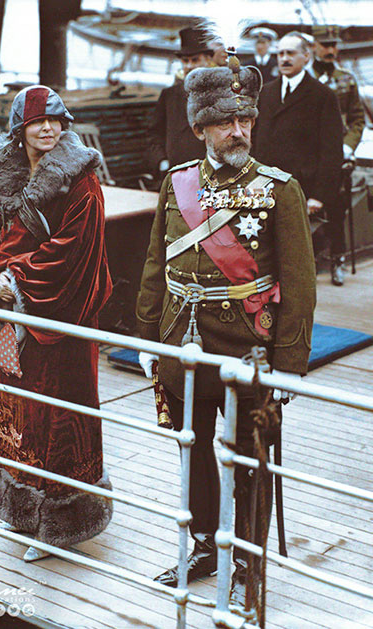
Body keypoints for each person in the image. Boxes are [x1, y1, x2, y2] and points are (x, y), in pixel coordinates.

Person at [136, 61, 316, 616]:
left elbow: (301, 284)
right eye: (225, 121)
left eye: (245, 119)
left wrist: (288, 365)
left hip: (248, 347)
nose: (238, 130)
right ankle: (204, 548)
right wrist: (147, 338)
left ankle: (246, 565)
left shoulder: (279, 190)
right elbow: (153, 265)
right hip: (182, 342)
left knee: (248, 458)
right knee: (192, 452)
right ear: (199, 129)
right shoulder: (177, 183)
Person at [0, 85, 114, 563]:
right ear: (19, 129)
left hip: (55, 321)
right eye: (37, 122)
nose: (48, 129)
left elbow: (75, 251)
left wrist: (16, 277)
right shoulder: (0, 179)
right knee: (14, 409)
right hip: (10, 317)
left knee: (55, 416)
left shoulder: (82, 182)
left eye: (55, 120)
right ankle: (21, 509)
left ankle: (59, 523)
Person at [253, 31, 343, 282]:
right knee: (265, 256)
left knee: (296, 262)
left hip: (302, 190)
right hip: (265, 188)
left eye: (290, 53)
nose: (284, 58)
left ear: (307, 56)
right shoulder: (266, 94)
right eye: (280, 53)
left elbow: (331, 151)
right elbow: (254, 139)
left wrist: (319, 195)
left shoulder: (322, 96)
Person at [309, 24, 367, 286]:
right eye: (326, 45)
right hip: (308, 157)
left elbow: (357, 119)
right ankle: (306, 262)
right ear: (314, 47)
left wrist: (347, 147)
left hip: (337, 157)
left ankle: (337, 261)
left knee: (336, 212)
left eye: (334, 45)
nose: (331, 50)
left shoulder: (346, 79)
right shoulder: (304, 77)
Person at [149, 27, 213, 177]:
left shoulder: (218, 93)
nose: (189, 66)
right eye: (185, 61)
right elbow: (154, 134)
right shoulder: (169, 95)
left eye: (195, 60)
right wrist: (161, 162)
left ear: (208, 60)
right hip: (175, 175)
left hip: (211, 176)